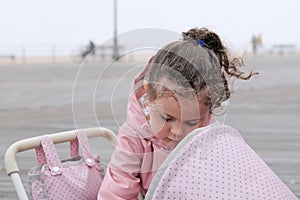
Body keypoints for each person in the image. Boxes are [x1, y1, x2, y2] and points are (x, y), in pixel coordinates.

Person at [98, 27, 259, 199]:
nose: (177, 131)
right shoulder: (134, 137)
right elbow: (116, 191)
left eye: (191, 122)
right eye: (167, 118)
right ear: (149, 93)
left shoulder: (212, 140)